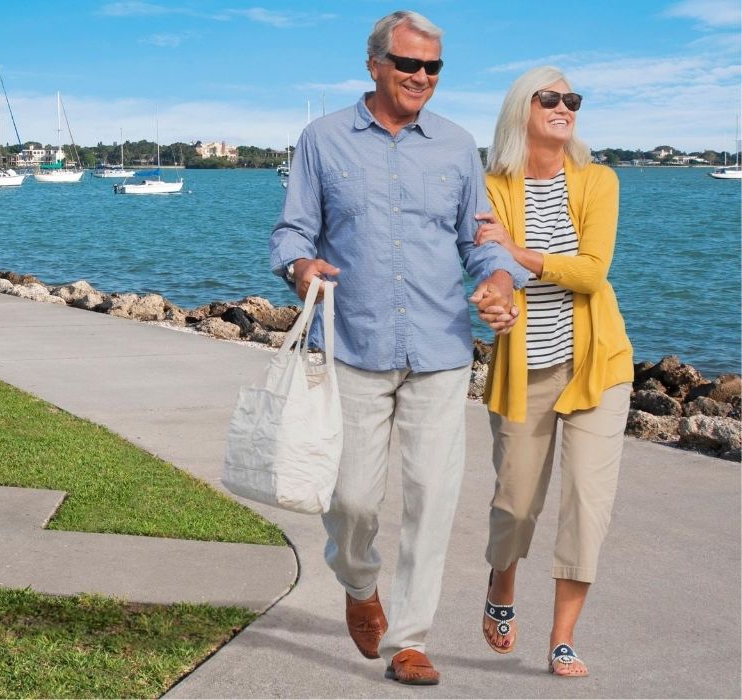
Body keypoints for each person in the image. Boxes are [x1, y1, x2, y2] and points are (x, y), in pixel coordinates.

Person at [270, 9, 527, 686]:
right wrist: (301, 269)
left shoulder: (457, 146)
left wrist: (499, 277)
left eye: (433, 67)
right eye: (409, 63)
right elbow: (293, 231)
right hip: (353, 343)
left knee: (431, 499)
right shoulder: (321, 140)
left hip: (441, 348)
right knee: (352, 499)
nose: (421, 77)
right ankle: (359, 584)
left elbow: (481, 240)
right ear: (376, 64)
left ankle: (409, 640)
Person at [475, 66, 633, 678]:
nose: (565, 106)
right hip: (525, 369)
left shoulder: (599, 181)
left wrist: (518, 254)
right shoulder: (490, 186)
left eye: (573, 100)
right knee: (515, 505)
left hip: (598, 365)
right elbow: (489, 261)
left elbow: (592, 272)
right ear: (522, 109)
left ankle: (562, 638)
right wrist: (500, 282)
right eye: (551, 98)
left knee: (587, 505)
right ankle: (501, 584)